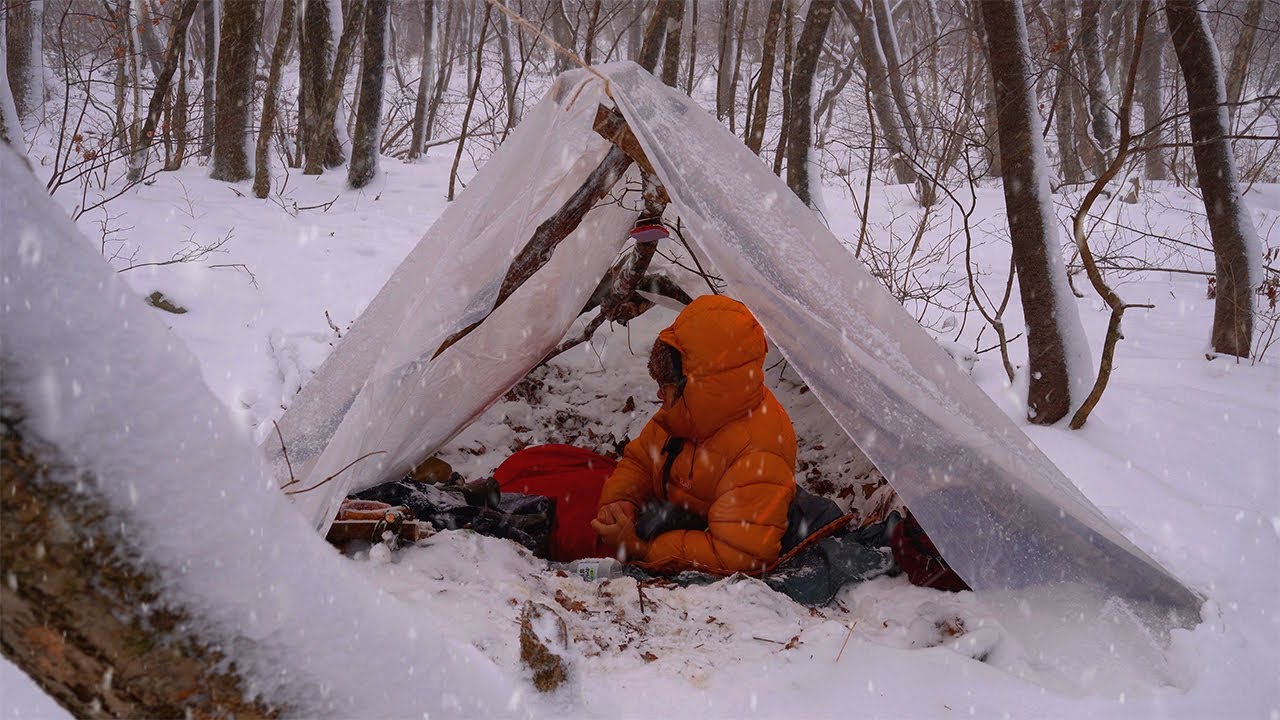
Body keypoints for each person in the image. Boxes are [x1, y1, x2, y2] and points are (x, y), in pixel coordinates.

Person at [590, 295, 798, 575]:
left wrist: (641, 548)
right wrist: (620, 503)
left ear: (695, 389)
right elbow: (640, 460)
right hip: (670, 517)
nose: (659, 394)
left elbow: (739, 556)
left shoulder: (759, 451)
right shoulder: (689, 412)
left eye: (666, 386)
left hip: (697, 543)